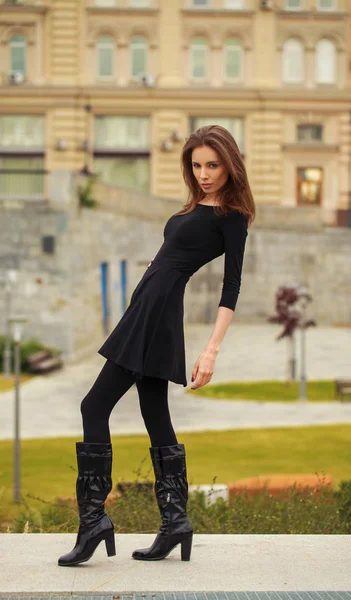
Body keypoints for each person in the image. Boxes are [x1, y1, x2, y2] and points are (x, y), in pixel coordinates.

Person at [57, 124, 255, 567]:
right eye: (197, 165)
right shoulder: (196, 206)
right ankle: (175, 522)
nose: (204, 173)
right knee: (154, 413)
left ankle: (93, 522)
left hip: (155, 312)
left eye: (213, 165)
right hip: (151, 306)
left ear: (230, 164)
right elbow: (173, 256)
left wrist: (211, 351)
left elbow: (232, 287)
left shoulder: (233, 216)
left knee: (93, 407)